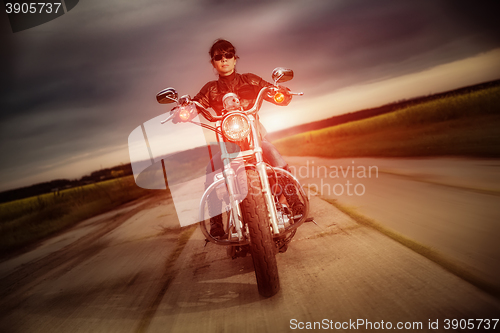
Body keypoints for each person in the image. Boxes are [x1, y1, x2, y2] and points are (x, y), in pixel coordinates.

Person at [193, 39, 300, 238]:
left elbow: (271, 91)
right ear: (213, 63)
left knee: (275, 157)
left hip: (256, 141)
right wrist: (183, 108)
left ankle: (295, 204)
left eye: (228, 55)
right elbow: (196, 103)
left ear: (235, 59)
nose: (224, 60)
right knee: (210, 171)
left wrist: (280, 92)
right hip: (229, 147)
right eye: (218, 57)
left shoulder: (250, 80)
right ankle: (216, 223)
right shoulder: (210, 89)